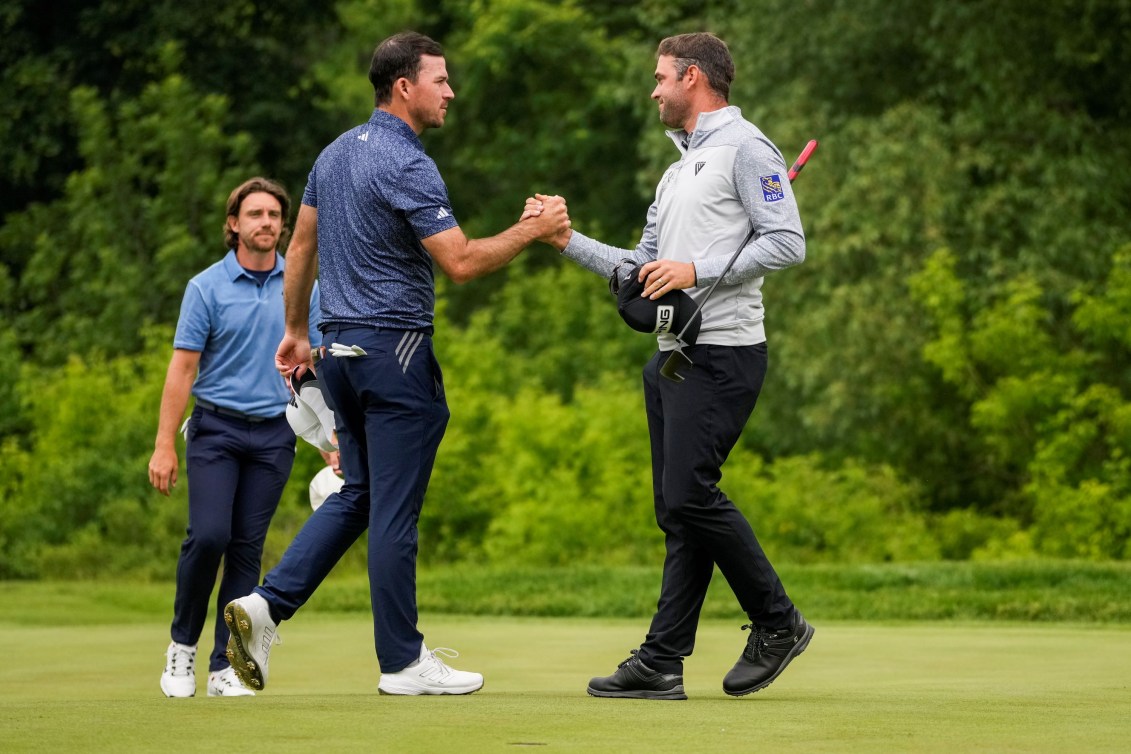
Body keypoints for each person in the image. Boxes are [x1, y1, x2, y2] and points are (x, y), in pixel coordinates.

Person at [222, 31, 569, 696]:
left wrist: (296, 331)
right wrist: (533, 229)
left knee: (360, 493)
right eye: (440, 81)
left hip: (338, 354)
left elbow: (298, 250)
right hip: (393, 354)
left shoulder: (333, 154)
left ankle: (265, 607)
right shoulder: (409, 164)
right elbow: (461, 262)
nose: (450, 92)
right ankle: (403, 662)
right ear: (404, 87)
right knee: (393, 512)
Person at [532, 32, 812, 700]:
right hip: (672, 360)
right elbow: (641, 266)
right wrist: (564, 240)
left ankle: (777, 621)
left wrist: (698, 268)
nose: (653, 89)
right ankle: (662, 660)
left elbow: (787, 241)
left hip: (724, 352)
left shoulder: (747, 150)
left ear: (692, 77)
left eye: (660, 77)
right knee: (677, 512)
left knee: (690, 495)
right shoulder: (676, 168)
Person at [148, 177, 326, 698]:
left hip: (276, 434)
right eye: (255, 214)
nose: (266, 223)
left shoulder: (301, 287)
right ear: (234, 224)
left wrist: (330, 439)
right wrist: (163, 444)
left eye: (274, 215)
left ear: (283, 225)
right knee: (208, 536)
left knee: (247, 549)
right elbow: (182, 369)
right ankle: (181, 648)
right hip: (216, 430)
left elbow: (311, 370)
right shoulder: (206, 287)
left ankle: (226, 666)